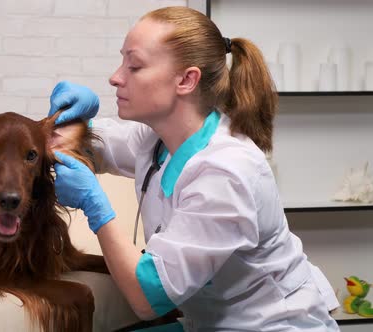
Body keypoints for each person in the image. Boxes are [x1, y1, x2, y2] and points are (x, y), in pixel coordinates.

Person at [48, 6, 340, 332]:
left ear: (187, 80)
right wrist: (71, 120)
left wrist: (95, 206)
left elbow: (147, 298)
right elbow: (89, 144)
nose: (116, 77)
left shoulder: (226, 173)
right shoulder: (158, 139)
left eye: (135, 66)